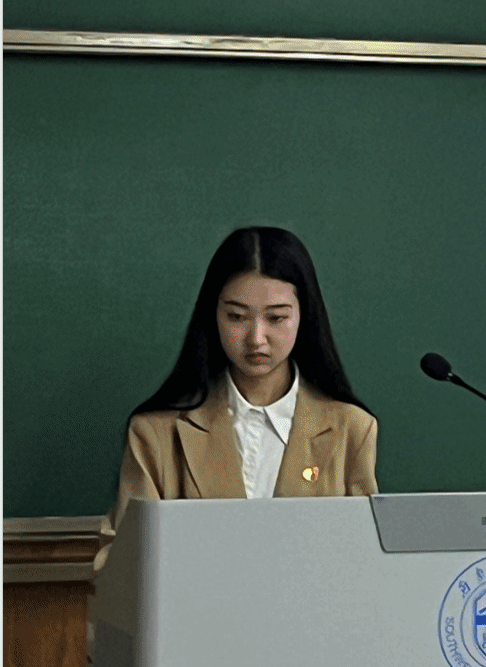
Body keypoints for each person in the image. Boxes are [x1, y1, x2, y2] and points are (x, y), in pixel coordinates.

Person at [103, 226, 377, 550]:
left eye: (276, 318)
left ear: (305, 316)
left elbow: (366, 555)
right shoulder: (156, 434)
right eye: (236, 316)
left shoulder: (351, 430)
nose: (256, 338)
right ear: (213, 315)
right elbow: (121, 560)